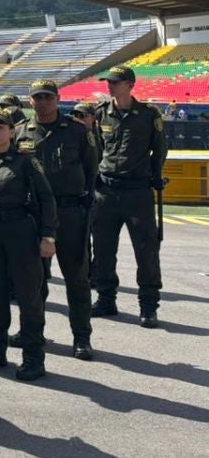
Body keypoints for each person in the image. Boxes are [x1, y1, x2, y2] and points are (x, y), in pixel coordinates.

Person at [0, 108, 57, 381]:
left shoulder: (26, 162)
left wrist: (48, 236)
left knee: (29, 297)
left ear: (11, 131)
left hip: (20, 232)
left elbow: (47, 199)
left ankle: (33, 358)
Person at [16, 80, 97, 360]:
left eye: (48, 97)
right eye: (37, 97)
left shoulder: (76, 131)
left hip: (69, 213)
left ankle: (81, 337)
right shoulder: (20, 133)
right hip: (34, 216)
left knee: (76, 278)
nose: (43, 102)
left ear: (58, 99)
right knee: (33, 280)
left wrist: (83, 204)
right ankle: (32, 331)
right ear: (30, 101)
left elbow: (91, 169)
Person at [90, 65, 167, 327]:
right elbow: (95, 150)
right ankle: (106, 298)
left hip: (137, 192)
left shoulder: (148, 115)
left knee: (146, 250)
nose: (109, 86)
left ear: (130, 84)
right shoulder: (100, 113)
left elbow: (159, 150)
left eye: (115, 82)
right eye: (108, 82)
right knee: (102, 248)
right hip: (106, 191)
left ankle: (148, 304)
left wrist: (156, 178)